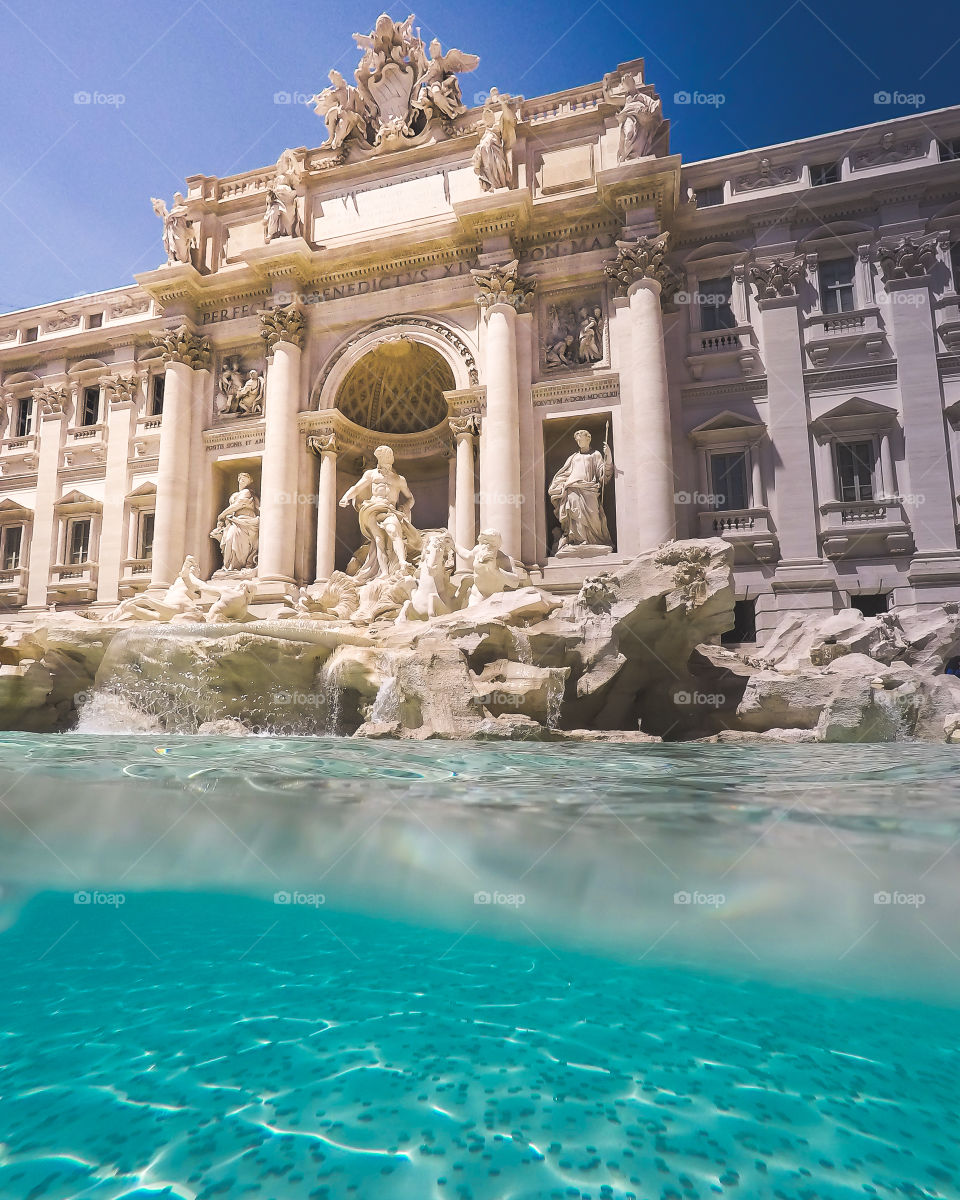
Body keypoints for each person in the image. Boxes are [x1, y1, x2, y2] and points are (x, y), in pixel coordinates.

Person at [338, 445, 421, 582]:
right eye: (383, 457)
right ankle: (384, 572)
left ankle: (402, 562)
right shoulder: (371, 474)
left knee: (394, 530)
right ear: (379, 459)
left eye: (388, 457)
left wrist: (405, 507)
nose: (386, 460)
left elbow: (410, 498)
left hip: (389, 510)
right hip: (372, 508)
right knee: (378, 541)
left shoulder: (399, 479)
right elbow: (357, 487)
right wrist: (346, 497)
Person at [548, 430, 614, 552]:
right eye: (577, 440)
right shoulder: (573, 457)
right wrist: (560, 484)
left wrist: (608, 456)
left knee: (593, 515)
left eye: (581, 439)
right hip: (572, 488)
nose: (579, 442)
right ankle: (578, 540)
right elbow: (564, 473)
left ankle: (594, 540)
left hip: (589, 488)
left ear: (588, 439)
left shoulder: (595, 455)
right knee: (574, 513)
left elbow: (603, 474)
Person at [210, 473, 259, 572]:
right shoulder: (234, 495)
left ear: (250, 482)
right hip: (234, 521)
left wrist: (222, 515)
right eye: (241, 479)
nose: (242, 481)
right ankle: (229, 566)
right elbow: (233, 508)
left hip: (246, 520)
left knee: (243, 543)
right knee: (228, 539)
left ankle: (240, 566)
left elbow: (238, 504)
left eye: (245, 480)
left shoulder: (247, 492)